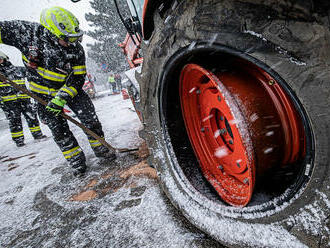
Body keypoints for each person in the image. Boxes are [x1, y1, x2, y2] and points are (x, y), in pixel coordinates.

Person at [0, 6, 116, 176]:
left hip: (68, 90)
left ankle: (101, 149)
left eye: (74, 38)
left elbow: (78, 78)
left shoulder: (75, 49)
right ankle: (76, 161)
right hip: (41, 95)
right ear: (51, 33)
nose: (71, 43)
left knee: (90, 119)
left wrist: (62, 97)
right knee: (59, 130)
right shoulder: (26, 33)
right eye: (66, 39)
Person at [0, 51, 45, 147]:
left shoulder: (18, 70)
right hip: (9, 102)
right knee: (14, 121)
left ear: (5, 59)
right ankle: (19, 140)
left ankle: (37, 134)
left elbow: (32, 75)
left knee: (32, 116)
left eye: (0, 59)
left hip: (24, 99)